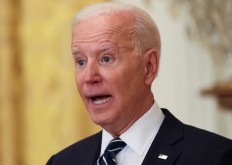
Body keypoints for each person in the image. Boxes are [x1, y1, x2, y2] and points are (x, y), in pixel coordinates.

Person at [46, 2, 232, 165]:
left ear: (149, 66)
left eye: (106, 58)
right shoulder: (63, 161)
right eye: (80, 62)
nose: (89, 76)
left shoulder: (215, 157)